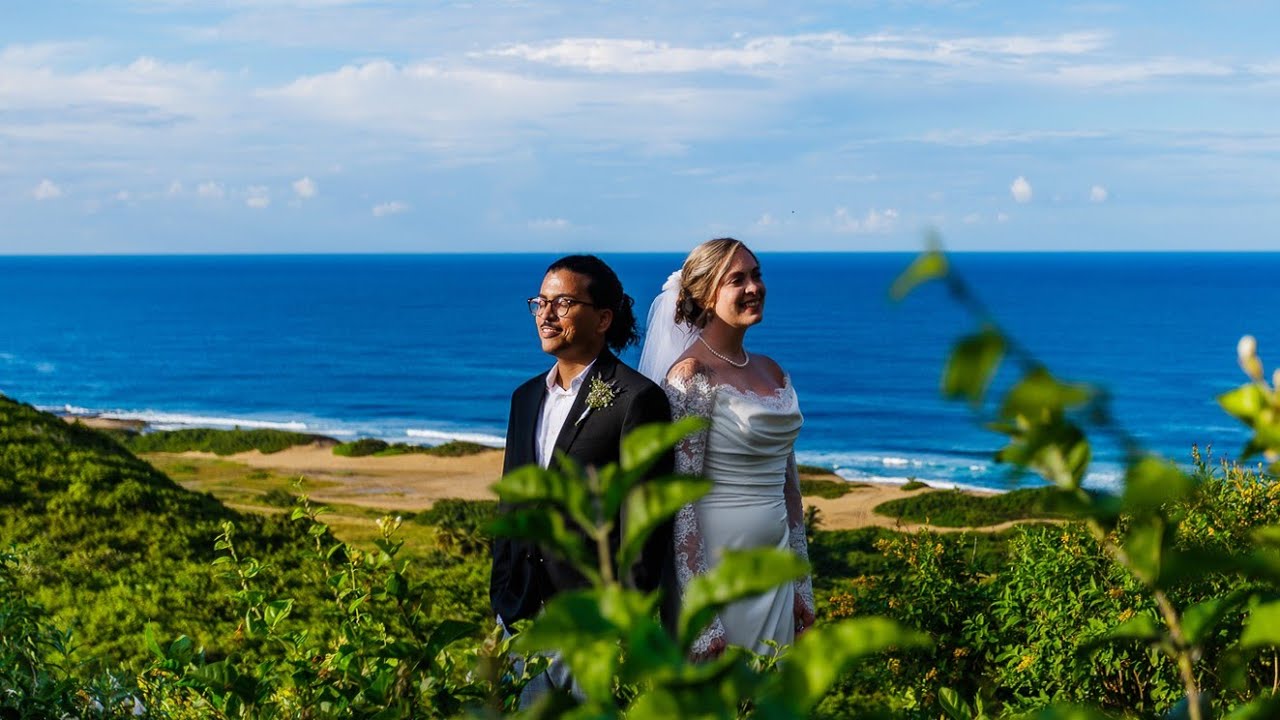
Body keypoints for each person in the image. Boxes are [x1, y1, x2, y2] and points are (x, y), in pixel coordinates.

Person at [490, 254, 674, 702]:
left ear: (603, 318)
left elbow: (645, 525)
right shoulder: (525, 397)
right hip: (520, 618)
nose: (546, 314)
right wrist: (501, 597)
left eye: (563, 303)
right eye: (540, 302)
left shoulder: (637, 399)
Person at [637, 237, 814, 660]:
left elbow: (790, 490)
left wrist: (801, 584)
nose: (754, 287)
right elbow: (681, 503)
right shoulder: (690, 376)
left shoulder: (773, 370)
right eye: (737, 279)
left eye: (756, 275)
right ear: (705, 296)